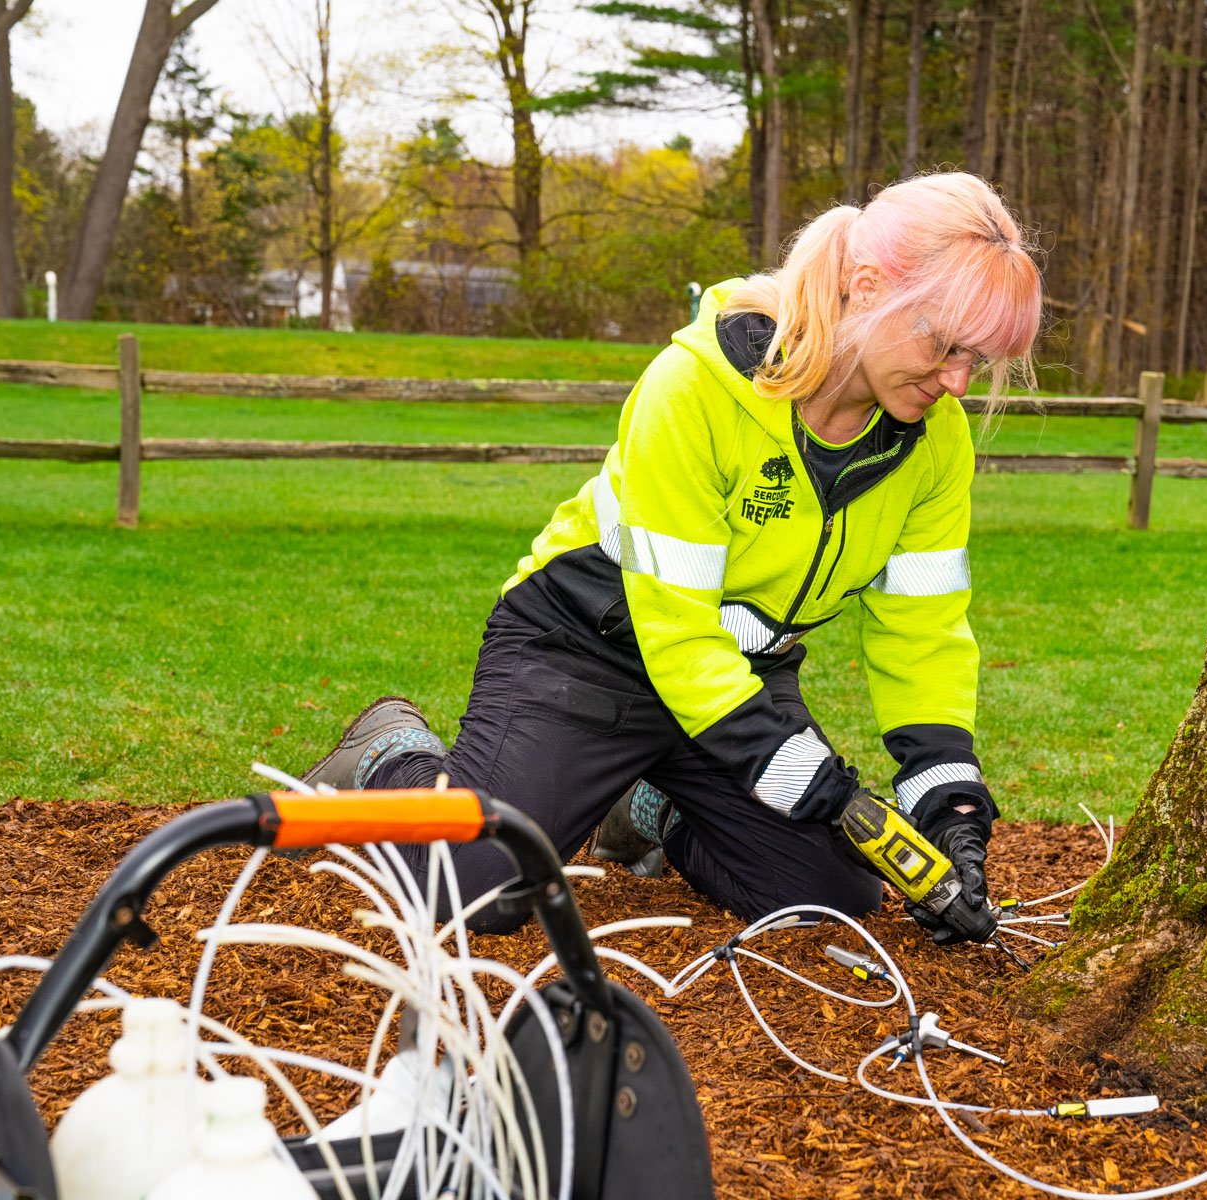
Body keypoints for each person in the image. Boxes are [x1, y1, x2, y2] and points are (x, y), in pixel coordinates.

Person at [302, 172, 1043, 938]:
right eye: (944, 345)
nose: (957, 381)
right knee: (475, 890)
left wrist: (951, 803)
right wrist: (822, 788)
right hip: (587, 651)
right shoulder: (694, 388)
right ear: (865, 285)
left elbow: (922, 631)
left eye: (977, 360)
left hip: (734, 680)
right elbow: (676, 631)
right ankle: (390, 753)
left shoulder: (937, 442)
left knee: (832, 893)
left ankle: (649, 807)